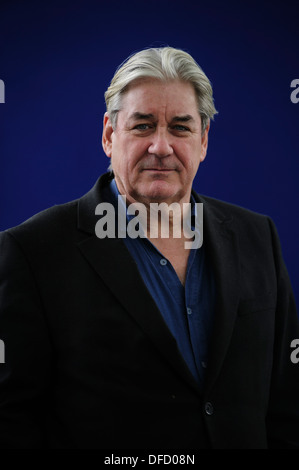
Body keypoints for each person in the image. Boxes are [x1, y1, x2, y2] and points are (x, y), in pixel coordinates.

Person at [0, 46, 299, 450]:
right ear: (109, 135)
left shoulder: (257, 236)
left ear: (204, 140)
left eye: (180, 127)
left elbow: (287, 402)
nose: (161, 147)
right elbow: (12, 420)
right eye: (142, 126)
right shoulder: (32, 252)